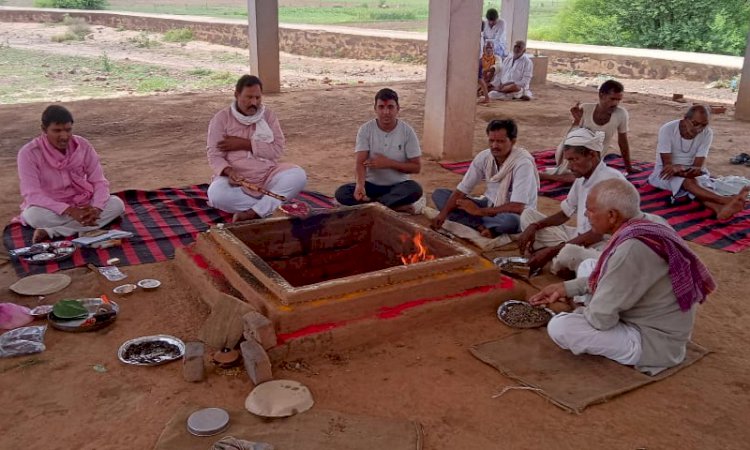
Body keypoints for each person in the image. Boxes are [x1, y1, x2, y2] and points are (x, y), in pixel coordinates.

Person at [529, 178, 715, 375]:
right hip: (652, 313)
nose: (586, 215)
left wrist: (579, 309)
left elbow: (601, 320)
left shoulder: (631, 250)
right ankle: (591, 302)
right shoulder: (651, 222)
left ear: (612, 215)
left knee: (561, 327)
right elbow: (610, 276)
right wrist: (565, 288)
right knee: (589, 265)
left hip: (653, 342)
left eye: (590, 210)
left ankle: (590, 309)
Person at [517, 128, 626, 273]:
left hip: (603, 244)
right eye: (568, 160)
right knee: (528, 215)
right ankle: (557, 256)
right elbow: (564, 214)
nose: (569, 166)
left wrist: (552, 251)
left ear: (592, 155)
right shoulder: (581, 179)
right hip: (577, 237)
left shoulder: (610, 181)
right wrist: (535, 226)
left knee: (572, 257)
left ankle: (557, 260)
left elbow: (597, 234)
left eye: (574, 159)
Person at [17, 105, 125, 243]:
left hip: (83, 203)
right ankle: (97, 222)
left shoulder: (83, 145)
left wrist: (97, 208)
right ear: (44, 130)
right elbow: (32, 195)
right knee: (33, 216)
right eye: (57, 131)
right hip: (52, 208)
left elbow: (99, 181)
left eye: (68, 130)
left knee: (116, 204)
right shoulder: (28, 153)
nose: (64, 136)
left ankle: (53, 232)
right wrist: (70, 211)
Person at [206, 75, 307, 222]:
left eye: (257, 98)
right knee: (217, 194)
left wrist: (244, 144)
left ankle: (254, 212)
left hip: (268, 175)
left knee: (298, 175)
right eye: (248, 97)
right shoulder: (221, 119)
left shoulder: (268, 116)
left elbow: (277, 150)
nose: (253, 102)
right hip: (236, 180)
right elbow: (214, 156)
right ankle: (269, 208)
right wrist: (229, 172)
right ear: (237, 95)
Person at [431, 119, 539, 237]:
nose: (494, 146)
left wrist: (479, 212)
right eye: (491, 140)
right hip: (488, 205)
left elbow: (517, 207)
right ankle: (483, 226)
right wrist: (443, 214)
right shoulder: (484, 157)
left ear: (513, 141)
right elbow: (461, 191)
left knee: (510, 222)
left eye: (500, 141)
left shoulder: (522, 164)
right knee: (440, 195)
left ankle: (478, 223)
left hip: (514, 213)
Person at [648, 104, 749, 220]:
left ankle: (718, 209)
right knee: (689, 183)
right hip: (663, 175)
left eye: (704, 125)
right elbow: (667, 167)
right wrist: (682, 170)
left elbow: (697, 166)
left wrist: (687, 170)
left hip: (690, 174)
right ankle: (724, 200)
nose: (699, 129)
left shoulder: (707, 133)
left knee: (695, 185)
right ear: (685, 119)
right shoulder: (668, 129)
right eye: (695, 124)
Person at [335, 88, 423, 213]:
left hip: (398, 187)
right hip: (371, 186)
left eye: (390, 107)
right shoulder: (365, 130)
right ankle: (392, 207)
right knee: (342, 193)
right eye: (381, 107)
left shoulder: (407, 132)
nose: (386, 112)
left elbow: (416, 167)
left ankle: (372, 206)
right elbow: (360, 163)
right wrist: (360, 185)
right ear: (375, 109)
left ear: (398, 108)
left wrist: (389, 163)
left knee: (415, 189)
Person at [542, 80, 636, 183]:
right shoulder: (585, 109)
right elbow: (570, 139)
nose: (615, 103)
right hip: (573, 152)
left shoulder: (621, 114)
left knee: (588, 175)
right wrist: (577, 122)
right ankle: (545, 176)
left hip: (593, 157)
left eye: (618, 100)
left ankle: (549, 175)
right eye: (612, 99)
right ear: (601, 95)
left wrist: (629, 168)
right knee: (580, 176)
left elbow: (623, 142)